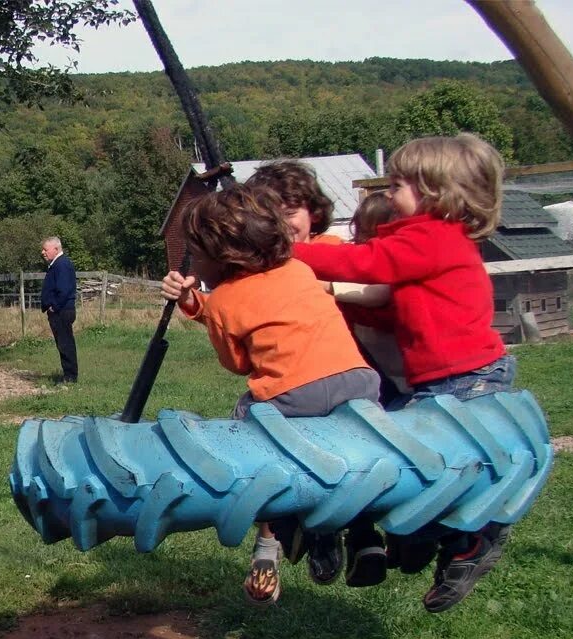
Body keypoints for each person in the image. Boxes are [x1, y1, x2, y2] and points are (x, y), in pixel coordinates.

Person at [291, 133, 514, 613]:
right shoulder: (430, 242)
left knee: (434, 464)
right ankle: (444, 542)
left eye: (397, 185)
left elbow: (366, 263)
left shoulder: (431, 236)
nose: (387, 195)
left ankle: (476, 533)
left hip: (467, 378)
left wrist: (288, 251)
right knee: (421, 461)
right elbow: (399, 311)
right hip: (448, 378)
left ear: (434, 191)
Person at [160, 183, 378, 605]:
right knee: (337, 455)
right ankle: (354, 531)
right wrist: (198, 302)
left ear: (221, 256)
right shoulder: (298, 269)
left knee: (247, 422)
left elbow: (238, 363)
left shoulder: (223, 300)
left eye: (197, 254)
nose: (194, 262)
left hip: (297, 395)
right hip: (361, 381)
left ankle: (284, 521)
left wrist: (206, 306)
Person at [245, 160, 355, 585]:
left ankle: (327, 530)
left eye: (290, 213)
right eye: (271, 217)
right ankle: (272, 542)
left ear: (313, 212)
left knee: (332, 459)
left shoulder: (332, 250)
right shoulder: (263, 266)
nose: (284, 225)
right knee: (275, 453)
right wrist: (194, 302)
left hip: (337, 374)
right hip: (283, 375)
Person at [40, 236, 77, 384]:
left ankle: (70, 377)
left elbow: (64, 290)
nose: (43, 252)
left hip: (62, 311)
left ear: (56, 249)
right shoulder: (56, 264)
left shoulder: (62, 264)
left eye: (45, 249)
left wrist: (53, 306)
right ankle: (68, 374)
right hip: (60, 310)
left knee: (65, 343)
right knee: (62, 343)